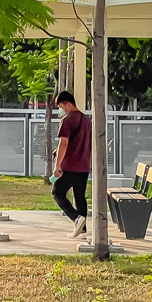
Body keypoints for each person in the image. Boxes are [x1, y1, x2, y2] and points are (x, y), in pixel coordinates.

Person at [52, 91, 92, 237]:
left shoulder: (67, 120)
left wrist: (57, 166)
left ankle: (76, 218)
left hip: (70, 165)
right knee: (79, 196)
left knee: (57, 192)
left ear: (68, 104)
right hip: (83, 166)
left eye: (61, 106)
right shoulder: (87, 120)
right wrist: (89, 163)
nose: (61, 109)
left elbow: (63, 144)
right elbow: (90, 144)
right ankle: (82, 229)